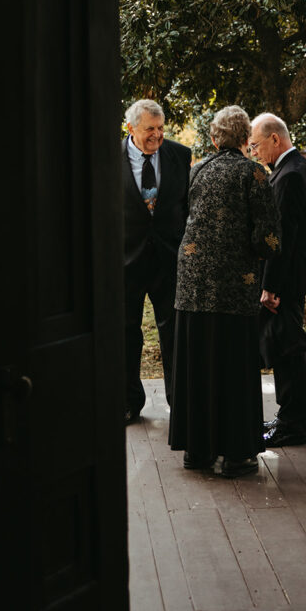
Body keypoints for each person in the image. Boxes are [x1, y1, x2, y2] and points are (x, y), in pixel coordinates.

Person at [169, 105, 281, 478]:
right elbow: (266, 237)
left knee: (199, 364)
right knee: (234, 367)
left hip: (192, 285)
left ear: (215, 138)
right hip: (234, 286)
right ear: (245, 138)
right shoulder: (254, 172)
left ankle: (197, 452)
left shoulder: (198, 170)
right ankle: (237, 454)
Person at [249, 112, 306, 447]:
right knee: (285, 348)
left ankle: (293, 424)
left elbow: (283, 238)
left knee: (288, 351)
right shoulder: (295, 168)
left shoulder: (290, 174)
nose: (255, 152)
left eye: (257, 144)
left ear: (275, 139)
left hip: (287, 279)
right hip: (292, 277)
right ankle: (288, 418)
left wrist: (271, 287)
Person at [123, 98, 191, 424]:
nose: (157, 135)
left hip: (170, 261)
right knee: (125, 333)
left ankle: (181, 404)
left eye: (161, 128)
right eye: (150, 129)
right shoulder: (107, 160)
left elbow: (188, 209)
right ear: (131, 128)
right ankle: (127, 402)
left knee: (175, 333)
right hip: (125, 263)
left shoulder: (180, 155)